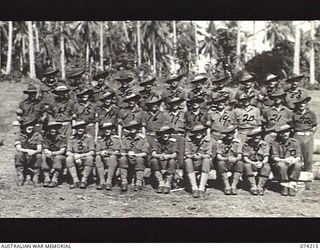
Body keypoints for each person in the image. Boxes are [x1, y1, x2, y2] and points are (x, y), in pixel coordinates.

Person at [291, 95, 317, 190]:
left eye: (303, 103)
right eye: (299, 103)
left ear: (306, 104)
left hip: (308, 136)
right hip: (297, 135)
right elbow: (291, 125)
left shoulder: (311, 114)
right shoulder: (294, 114)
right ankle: (297, 179)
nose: (302, 105)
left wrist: (310, 135)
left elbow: (314, 126)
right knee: (298, 157)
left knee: (308, 159)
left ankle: (307, 180)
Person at [271, 124, 303, 196]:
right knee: (281, 165)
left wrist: (293, 160)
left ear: (289, 132)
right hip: (280, 163)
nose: (285, 134)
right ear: (280, 134)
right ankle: (284, 185)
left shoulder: (294, 142)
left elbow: (299, 156)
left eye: (286, 132)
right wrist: (284, 160)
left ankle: (292, 184)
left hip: (291, 163)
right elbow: (274, 157)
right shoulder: (275, 143)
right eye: (282, 132)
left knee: (298, 164)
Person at [119, 121, 149, 192]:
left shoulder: (142, 139)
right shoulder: (125, 139)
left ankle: (138, 183)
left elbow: (145, 153)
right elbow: (122, 152)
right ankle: (124, 182)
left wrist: (135, 155)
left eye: (135, 127)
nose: (133, 129)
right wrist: (128, 154)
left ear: (137, 129)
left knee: (139, 159)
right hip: (127, 159)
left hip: (138, 159)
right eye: (131, 128)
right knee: (122, 159)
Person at [185, 124, 213, 198]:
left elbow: (209, 154)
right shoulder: (189, 140)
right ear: (193, 133)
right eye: (196, 132)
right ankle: (194, 188)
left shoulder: (208, 140)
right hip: (193, 162)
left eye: (200, 131)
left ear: (203, 132)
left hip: (202, 162)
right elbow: (187, 154)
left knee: (207, 160)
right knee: (187, 161)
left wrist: (201, 156)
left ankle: (201, 188)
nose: (198, 133)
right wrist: (193, 156)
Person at [66, 120, 95, 189]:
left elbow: (92, 152)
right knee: (68, 158)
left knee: (90, 158)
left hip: (85, 156)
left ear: (84, 129)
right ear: (75, 129)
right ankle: (75, 181)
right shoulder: (72, 138)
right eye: (78, 128)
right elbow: (68, 152)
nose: (80, 130)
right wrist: (75, 156)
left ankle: (84, 181)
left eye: (82, 128)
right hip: (75, 156)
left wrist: (81, 156)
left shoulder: (89, 138)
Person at [215, 125, 243, 195]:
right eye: (228, 133)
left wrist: (235, 159)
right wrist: (226, 159)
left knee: (240, 163)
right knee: (220, 163)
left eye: (232, 132)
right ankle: (227, 186)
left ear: (234, 133)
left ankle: (233, 186)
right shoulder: (220, 143)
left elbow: (240, 155)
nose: (230, 135)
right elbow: (218, 156)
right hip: (225, 162)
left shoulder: (237, 143)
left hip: (234, 162)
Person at [242, 127, 271, 196]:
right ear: (252, 136)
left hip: (261, 163)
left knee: (267, 167)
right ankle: (253, 186)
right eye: (255, 135)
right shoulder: (247, 144)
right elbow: (245, 158)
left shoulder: (265, 144)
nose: (257, 137)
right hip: (251, 163)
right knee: (246, 166)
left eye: (259, 135)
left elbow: (266, 157)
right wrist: (253, 163)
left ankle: (260, 187)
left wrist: (262, 163)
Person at [14, 118, 43, 186]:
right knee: (18, 155)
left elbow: (39, 149)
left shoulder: (37, 135)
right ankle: (20, 177)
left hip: (34, 155)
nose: (30, 127)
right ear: (24, 127)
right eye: (27, 125)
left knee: (39, 156)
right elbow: (18, 148)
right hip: (24, 155)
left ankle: (36, 177)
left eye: (31, 125)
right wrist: (28, 151)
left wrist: (34, 152)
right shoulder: (19, 135)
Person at [149, 125, 178, 194]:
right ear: (160, 134)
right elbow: (153, 153)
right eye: (163, 133)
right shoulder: (156, 141)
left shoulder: (173, 142)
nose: (165, 135)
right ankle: (160, 182)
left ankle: (168, 183)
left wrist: (167, 156)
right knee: (153, 160)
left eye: (167, 133)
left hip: (168, 161)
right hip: (159, 161)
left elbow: (175, 154)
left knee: (172, 161)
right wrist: (159, 156)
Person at [95, 122, 121, 190]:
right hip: (103, 158)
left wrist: (109, 153)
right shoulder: (100, 140)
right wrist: (101, 152)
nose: (107, 131)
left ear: (112, 130)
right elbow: (97, 151)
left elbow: (117, 152)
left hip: (113, 158)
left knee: (113, 158)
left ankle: (109, 181)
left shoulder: (116, 139)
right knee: (98, 157)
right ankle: (102, 181)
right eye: (105, 129)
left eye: (109, 129)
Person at [42, 121, 67, 188]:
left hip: (60, 156)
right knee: (44, 156)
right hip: (50, 155)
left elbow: (62, 150)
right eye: (51, 129)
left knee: (58, 158)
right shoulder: (46, 137)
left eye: (55, 128)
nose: (53, 130)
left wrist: (52, 153)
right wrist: (47, 152)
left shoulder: (62, 137)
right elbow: (45, 148)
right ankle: (46, 178)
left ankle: (55, 179)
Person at [164, 97, 187, 170]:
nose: (175, 105)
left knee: (181, 155)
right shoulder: (166, 115)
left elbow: (187, 127)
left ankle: (180, 172)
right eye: (173, 103)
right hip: (171, 136)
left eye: (176, 103)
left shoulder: (184, 114)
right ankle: (171, 171)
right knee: (172, 154)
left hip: (181, 136)